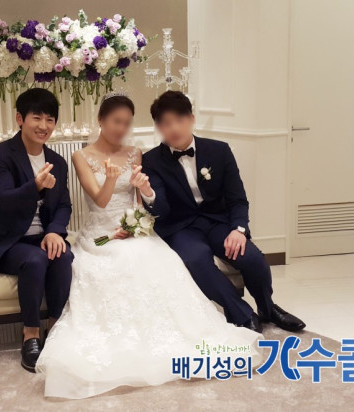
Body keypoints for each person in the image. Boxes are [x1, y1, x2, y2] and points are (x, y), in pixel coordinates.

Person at [34, 92, 264, 399]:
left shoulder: (135, 153)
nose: (121, 128)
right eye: (116, 121)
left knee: (158, 259)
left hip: (132, 229)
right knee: (122, 263)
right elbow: (99, 201)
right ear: (101, 120)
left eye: (127, 123)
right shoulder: (81, 155)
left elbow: (142, 204)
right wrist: (110, 179)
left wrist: (135, 222)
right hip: (100, 234)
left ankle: (246, 314)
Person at [141, 90, 306, 333]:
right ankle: (241, 312)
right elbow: (162, 210)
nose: (173, 128)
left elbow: (237, 198)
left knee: (253, 258)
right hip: (181, 227)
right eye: (165, 123)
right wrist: (148, 193)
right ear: (158, 128)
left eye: (179, 119)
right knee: (196, 260)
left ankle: (268, 308)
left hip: (217, 222)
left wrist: (239, 229)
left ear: (192, 119)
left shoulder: (219, 151)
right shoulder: (151, 160)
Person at [0, 88, 73, 373]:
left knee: (64, 256)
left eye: (50, 119)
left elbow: (64, 205)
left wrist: (55, 231)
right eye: (37, 118)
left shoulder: (57, 161)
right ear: (20, 119)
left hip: (42, 236)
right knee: (35, 260)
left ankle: (54, 328)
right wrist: (35, 187)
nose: (44, 126)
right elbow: (3, 199)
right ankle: (30, 334)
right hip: (8, 241)